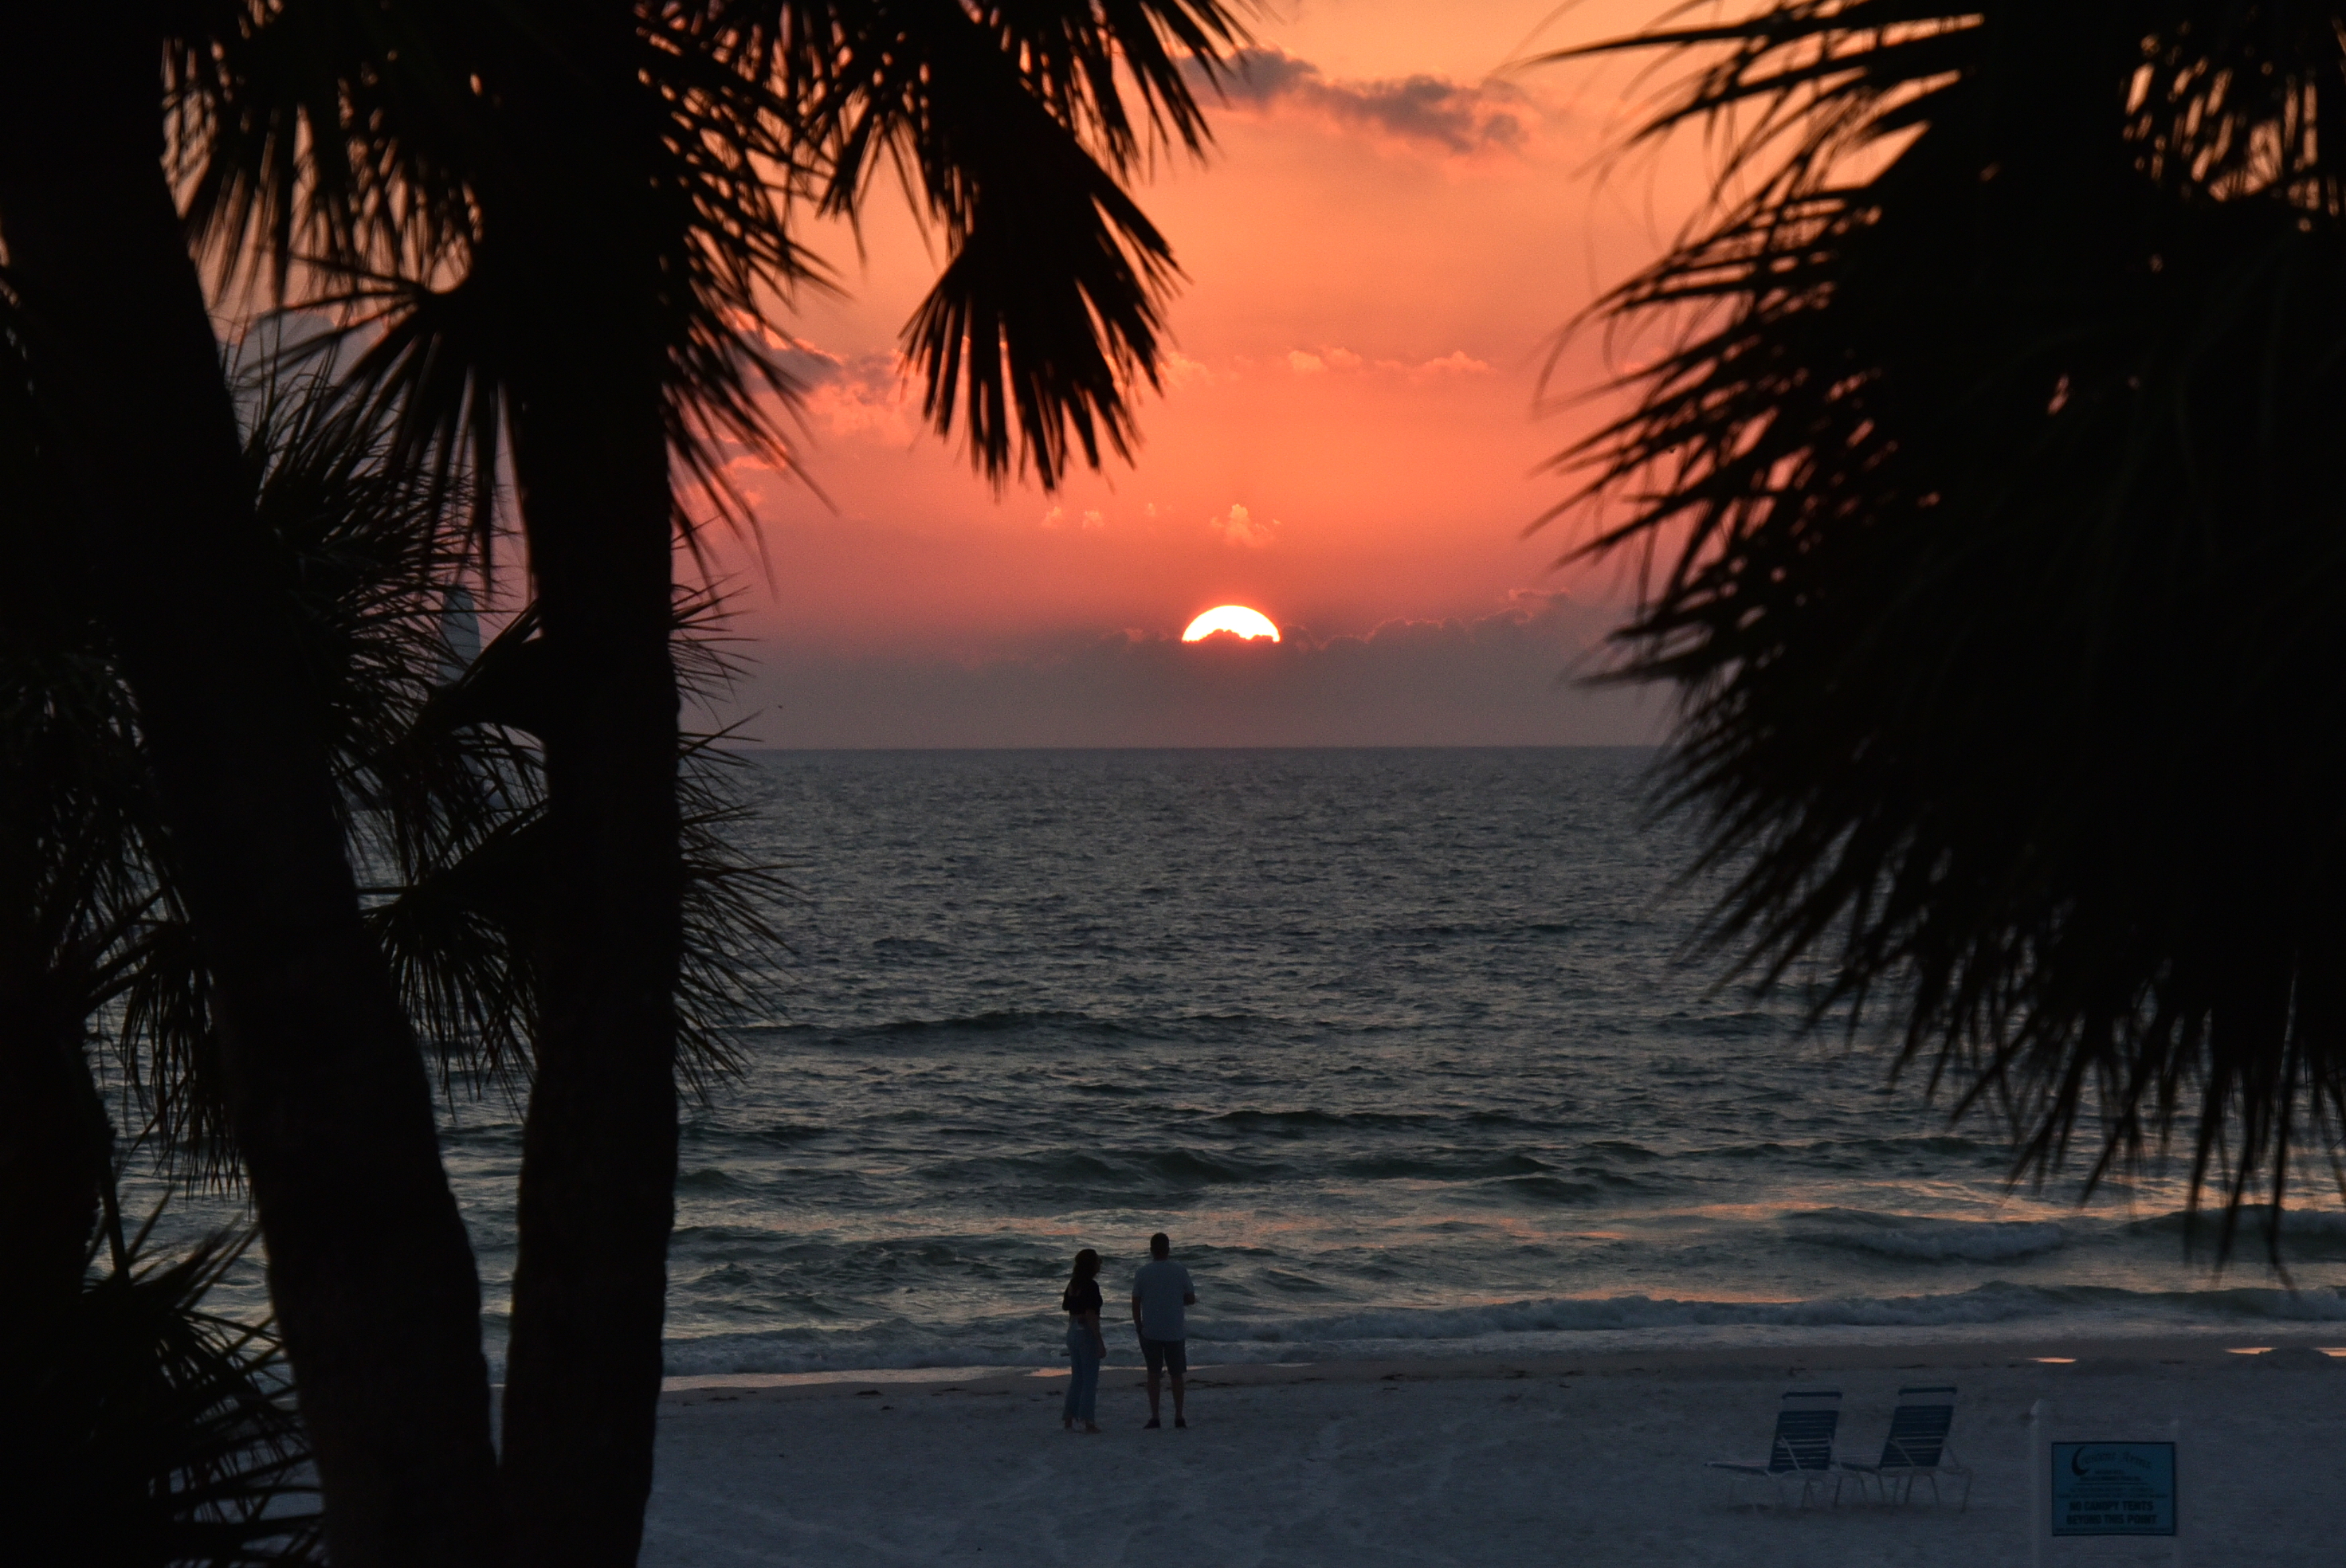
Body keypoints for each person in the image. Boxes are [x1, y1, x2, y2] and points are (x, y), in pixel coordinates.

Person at [1130, 1232, 1197, 1429]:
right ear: (1168, 1249)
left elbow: (1136, 1301)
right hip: (1174, 1329)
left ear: (1151, 1250)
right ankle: (1178, 1416)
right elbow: (1191, 1298)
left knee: (1153, 1374)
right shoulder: (1179, 1270)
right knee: (1177, 1375)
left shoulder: (1143, 1272)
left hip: (1151, 1329)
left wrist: (1138, 1324)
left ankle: (1155, 1416)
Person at [1061, 1249, 1106, 1433]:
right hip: (1084, 1330)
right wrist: (1100, 1341)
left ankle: (1069, 1417)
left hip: (1072, 1329)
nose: (1100, 1264)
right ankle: (1088, 1420)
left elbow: (1066, 1306)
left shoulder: (1073, 1285)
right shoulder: (1091, 1286)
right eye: (1098, 1261)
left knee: (1077, 1378)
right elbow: (1090, 1315)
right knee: (1089, 1379)